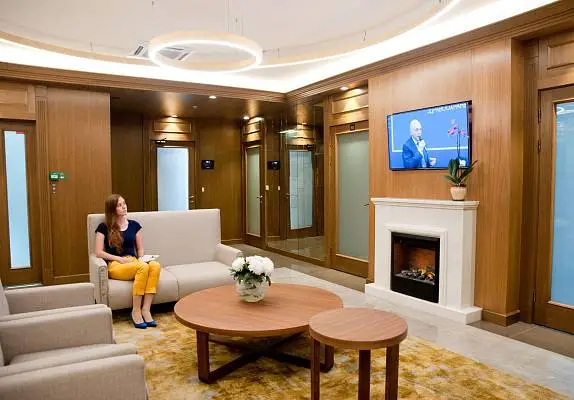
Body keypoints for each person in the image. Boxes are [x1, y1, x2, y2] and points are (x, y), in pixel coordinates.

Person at [94, 194, 160, 329]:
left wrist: (142, 258)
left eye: (124, 203)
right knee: (142, 268)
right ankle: (136, 311)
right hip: (116, 264)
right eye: (119, 205)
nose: (124, 207)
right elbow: (98, 252)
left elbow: (140, 249)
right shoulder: (104, 227)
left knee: (155, 265)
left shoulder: (134, 225)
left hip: (133, 261)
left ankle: (146, 309)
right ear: (112, 209)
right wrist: (119, 259)